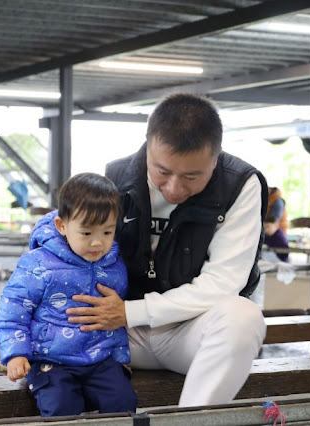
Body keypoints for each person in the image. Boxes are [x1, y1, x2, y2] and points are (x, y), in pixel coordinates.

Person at [49, 93, 268, 407]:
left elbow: (224, 284)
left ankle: (190, 419)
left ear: (216, 156)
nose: (175, 188)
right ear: (148, 145)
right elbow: (69, 239)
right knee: (16, 301)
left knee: (244, 317)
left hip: (188, 333)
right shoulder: (115, 177)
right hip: (116, 333)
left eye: (192, 176)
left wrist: (129, 312)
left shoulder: (241, 185)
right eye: (162, 172)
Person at [0, 173, 137, 417]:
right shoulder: (39, 264)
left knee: (123, 402)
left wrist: (119, 355)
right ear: (62, 226)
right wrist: (16, 354)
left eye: (107, 232)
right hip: (51, 360)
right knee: (61, 407)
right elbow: (12, 309)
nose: (97, 244)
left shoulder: (113, 265)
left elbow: (113, 318)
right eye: (86, 233)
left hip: (98, 358)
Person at [264, 187, 290, 262]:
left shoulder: (277, 201)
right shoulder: (268, 200)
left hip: (276, 232)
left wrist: (266, 228)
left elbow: (273, 221)